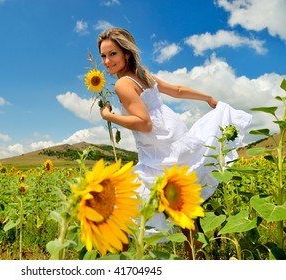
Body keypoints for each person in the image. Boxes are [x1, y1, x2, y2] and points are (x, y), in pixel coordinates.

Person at [96, 27, 252, 258]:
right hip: (176, 141)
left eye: (113, 54)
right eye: (103, 56)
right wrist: (207, 98)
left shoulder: (123, 84)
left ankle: (124, 266)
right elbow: (177, 91)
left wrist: (109, 116)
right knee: (183, 210)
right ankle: (195, 261)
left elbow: (144, 123)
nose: (107, 61)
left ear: (126, 53)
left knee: (118, 208)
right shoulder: (143, 75)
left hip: (159, 150)